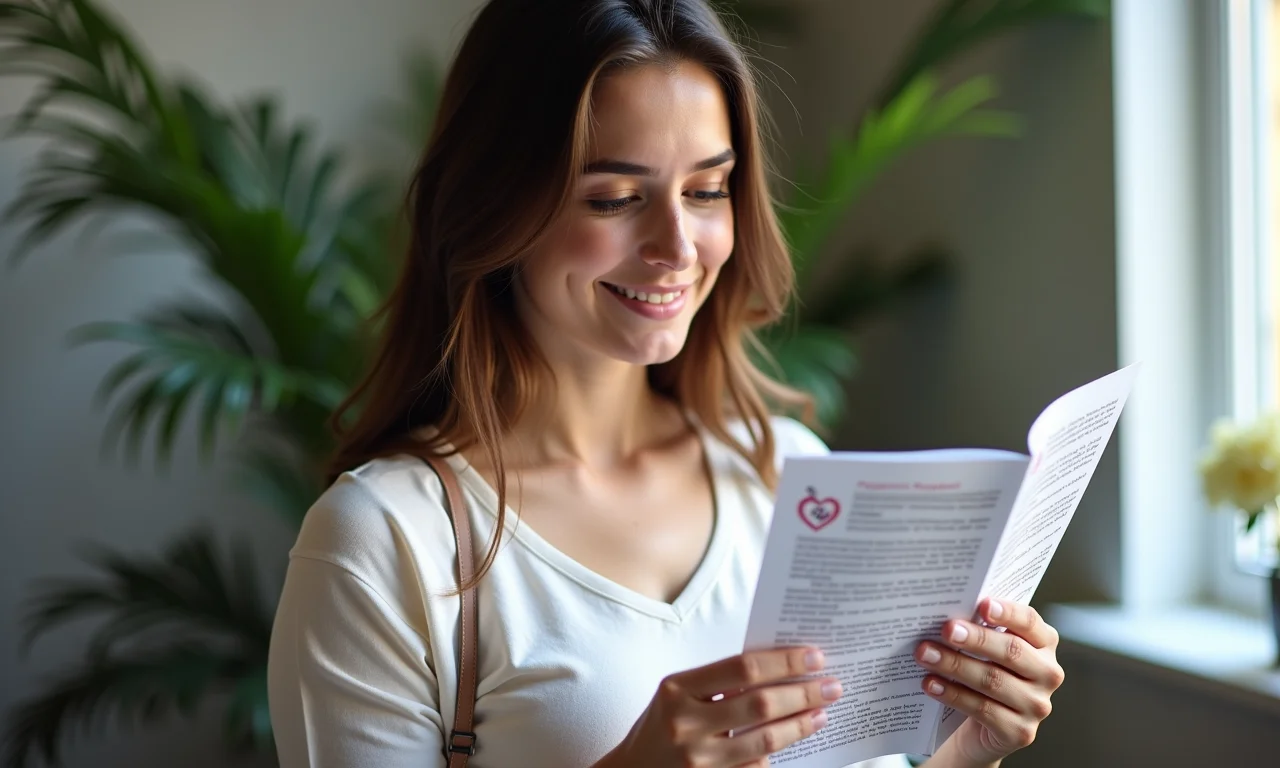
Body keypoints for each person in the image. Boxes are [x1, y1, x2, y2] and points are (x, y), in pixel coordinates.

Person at [265, 1, 1066, 766]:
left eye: (707, 189)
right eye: (615, 198)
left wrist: (965, 753)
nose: (677, 246)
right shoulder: (385, 543)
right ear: (493, 207)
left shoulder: (787, 475)